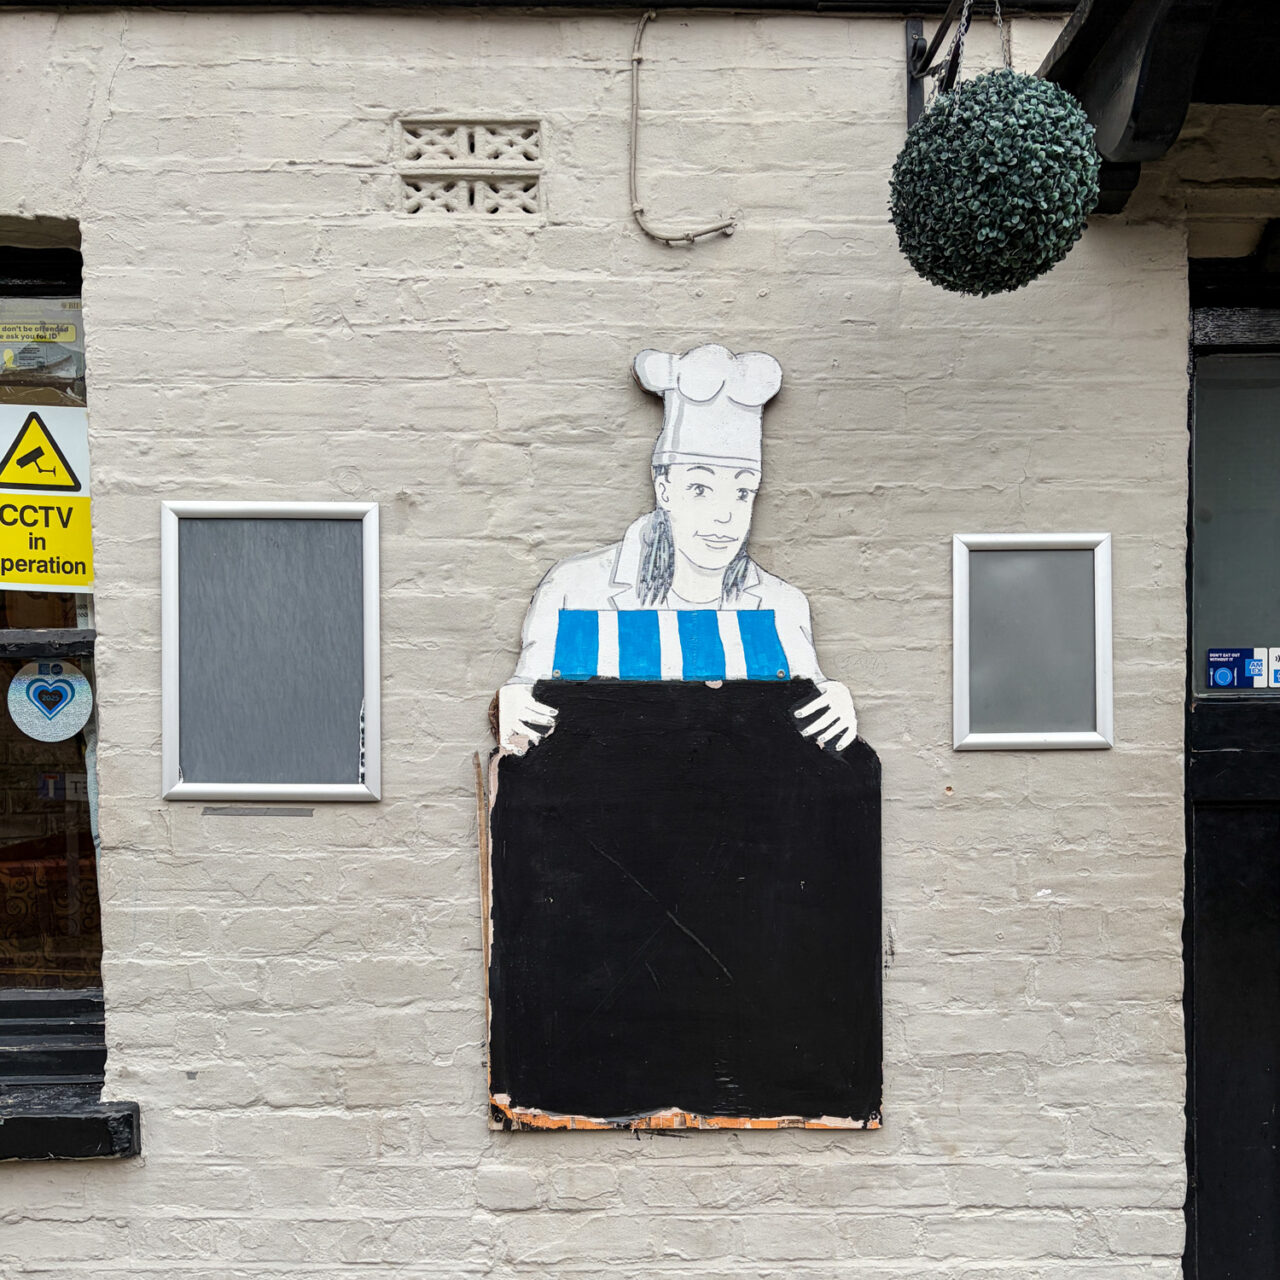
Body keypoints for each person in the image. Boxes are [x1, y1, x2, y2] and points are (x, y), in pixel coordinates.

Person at [498, 343, 857, 753]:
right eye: (700, 489)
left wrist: (831, 697)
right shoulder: (575, 588)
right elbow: (528, 717)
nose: (724, 516)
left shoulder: (780, 605)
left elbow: (804, 729)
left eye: (742, 491)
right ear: (664, 488)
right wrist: (512, 701)